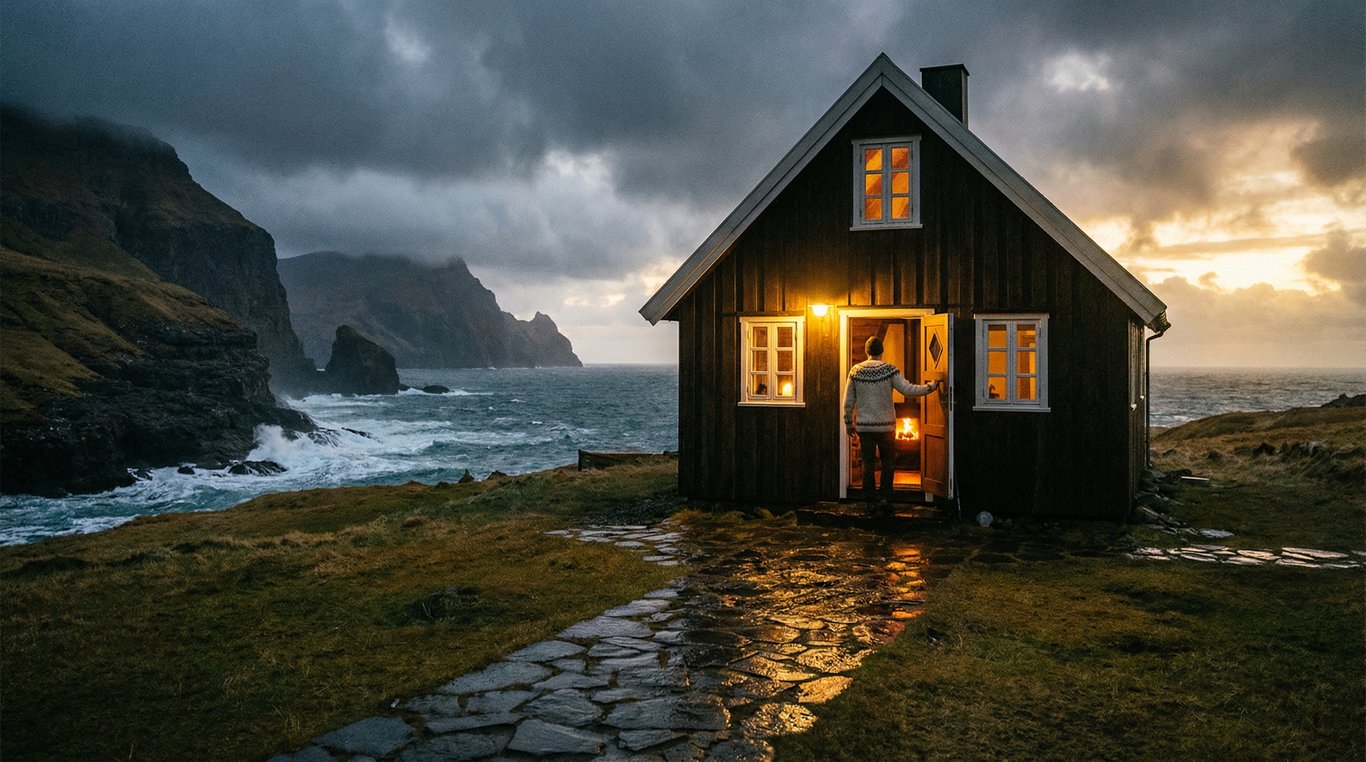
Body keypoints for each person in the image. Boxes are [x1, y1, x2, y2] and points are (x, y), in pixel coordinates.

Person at [844, 335, 943, 508]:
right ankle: (885, 498)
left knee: (868, 462)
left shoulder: (855, 371)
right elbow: (908, 390)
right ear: (881, 351)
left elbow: (848, 400)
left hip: (865, 427)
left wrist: (848, 422)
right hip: (887, 427)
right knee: (888, 462)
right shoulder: (890, 370)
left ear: (866, 351)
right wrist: (931, 387)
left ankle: (869, 500)